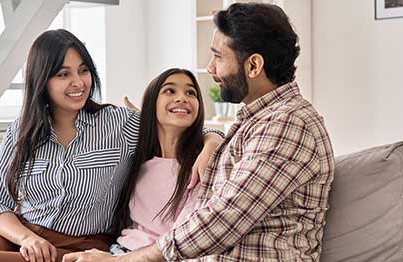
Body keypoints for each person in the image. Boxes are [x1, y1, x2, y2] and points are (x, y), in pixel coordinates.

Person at [63, 3, 335, 262]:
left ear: (253, 66)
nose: (211, 68)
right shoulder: (258, 122)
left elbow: (226, 217)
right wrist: (210, 137)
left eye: (218, 56)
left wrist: (126, 259)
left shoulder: (288, 123)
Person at [0, 30, 222, 262]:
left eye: (84, 71)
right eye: (64, 74)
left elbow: (183, 125)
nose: (78, 82)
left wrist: (211, 144)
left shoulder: (119, 123)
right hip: (26, 234)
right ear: (43, 80)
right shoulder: (21, 132)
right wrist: (26, 238)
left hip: (83, 244)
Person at [108, 68, 206, 255]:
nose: (182, 98)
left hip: (163, 256)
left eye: (190, 92)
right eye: (170, 90)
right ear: (152, 104)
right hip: (121, 250)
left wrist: (211, 143)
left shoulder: (201, 164)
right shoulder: (135, 158)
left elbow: (189, 235)